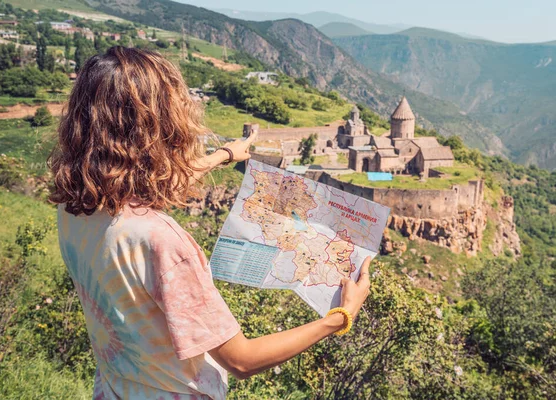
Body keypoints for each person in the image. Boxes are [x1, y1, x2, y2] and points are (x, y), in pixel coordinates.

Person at [49, 46, 371, 400]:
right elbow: (241, 360)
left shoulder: (74, 209)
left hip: (114, 387)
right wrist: (340, 316)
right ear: (159, 126)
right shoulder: (162, 243)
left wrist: (224, 155)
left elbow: (144, 183)